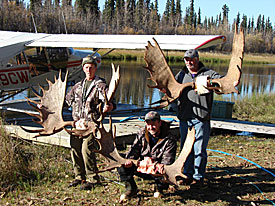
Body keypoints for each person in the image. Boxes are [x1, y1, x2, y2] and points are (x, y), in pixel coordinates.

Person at [173, 49, 239, 187]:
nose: (189, 62)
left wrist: (211, 83)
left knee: (199, 149)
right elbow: (172, 89)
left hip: (201, 118)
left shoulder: (209, 73)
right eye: (186, 59)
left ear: (197, 59)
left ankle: (198, 177)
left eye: (191, 59)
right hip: (185, 118)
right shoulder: (181, 74)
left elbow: (222, 84)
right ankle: (186, 174)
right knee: (185, 148)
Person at [65, 55, 115, 190]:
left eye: (91, 67)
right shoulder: (77, 86)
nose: (88, 70)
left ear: (95, 68)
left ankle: (93, 178)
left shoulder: (100, 85)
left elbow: (109, 101)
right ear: (83, 68)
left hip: (91, 125)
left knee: (86, 149)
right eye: (86, 67)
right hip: (77, 124)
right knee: (74, 149)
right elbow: (66, 102)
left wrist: (109, 106)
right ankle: (79, 177)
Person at [118, 111, 177, 201]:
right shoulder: (141, 134)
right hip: (142, 167)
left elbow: (168, 160)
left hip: (158, 171)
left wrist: (155, 165)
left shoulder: (169, 139)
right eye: (148, 124)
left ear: (159, 123)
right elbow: (134, 151)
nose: (151, 127)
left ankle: (159, 188)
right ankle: (131, 188)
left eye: (153, 124)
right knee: (121, 162)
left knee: (166, 171)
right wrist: (129, 159)